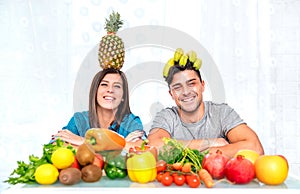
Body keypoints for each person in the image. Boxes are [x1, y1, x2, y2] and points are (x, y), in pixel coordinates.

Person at [147, 49, 264, 157]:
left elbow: (255, 148)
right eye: (177, 87)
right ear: (171, 94)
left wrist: (202, 152)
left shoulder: (222, 113)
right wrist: (211, 143)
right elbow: (153, 148)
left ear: (202, 86)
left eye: (191, 84)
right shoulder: (167, 116)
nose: (186, 92)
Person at [52, 68, 146, 148]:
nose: (110, 90)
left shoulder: (131, 121)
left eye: (117, 86)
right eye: (104, 84)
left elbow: (141, 147)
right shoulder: (80, 120)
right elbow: (56, 145)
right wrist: (122, 145)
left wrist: (84, 142)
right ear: (95, 91)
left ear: (123, 96)